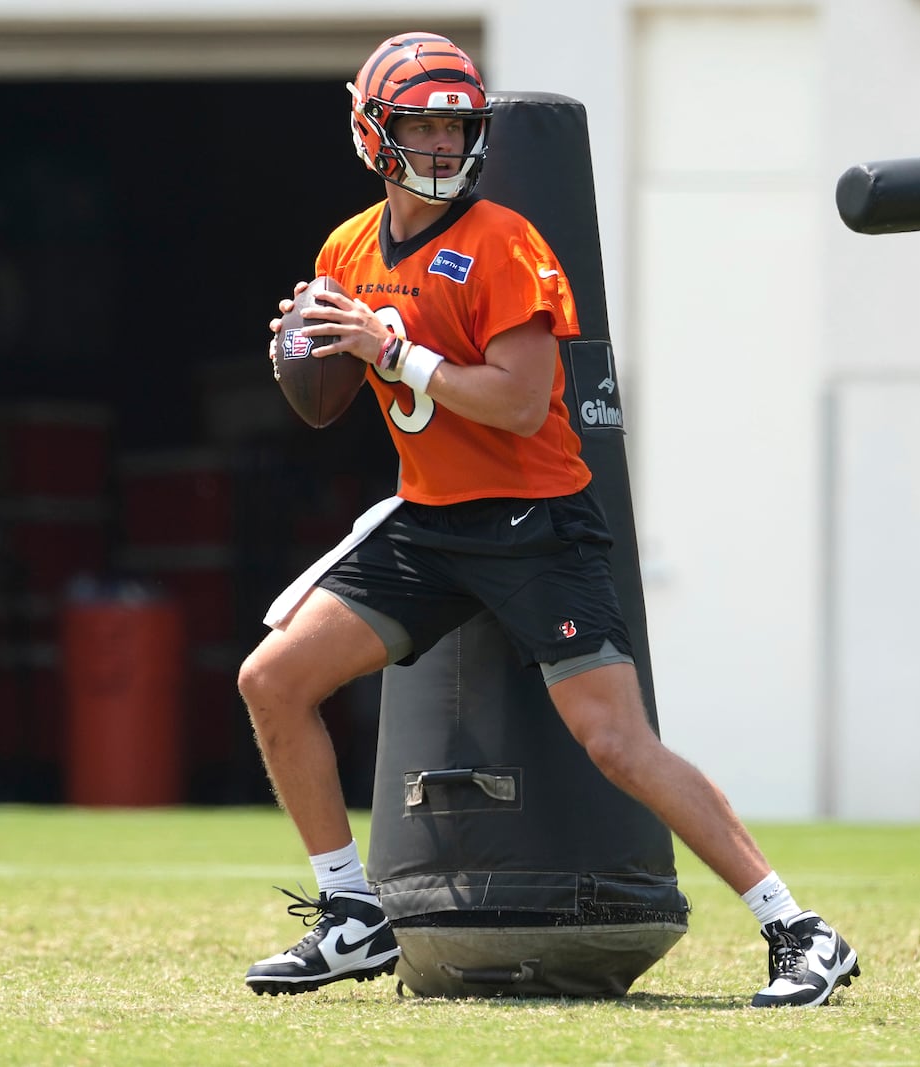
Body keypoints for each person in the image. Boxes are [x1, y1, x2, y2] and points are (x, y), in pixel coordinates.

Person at [239, 30, 859, 1008]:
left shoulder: (505, 242)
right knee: (272, 678)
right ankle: (352, 914)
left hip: (535, 520)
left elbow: (521, 401)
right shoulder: (348, 248)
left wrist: (385, 352)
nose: (441, 148)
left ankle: (798, 926)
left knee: (615, 738)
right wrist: (306, 345)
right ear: (374, 130)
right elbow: (329, 389)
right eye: (421, 127)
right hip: (433, 519)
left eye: (455, 129)